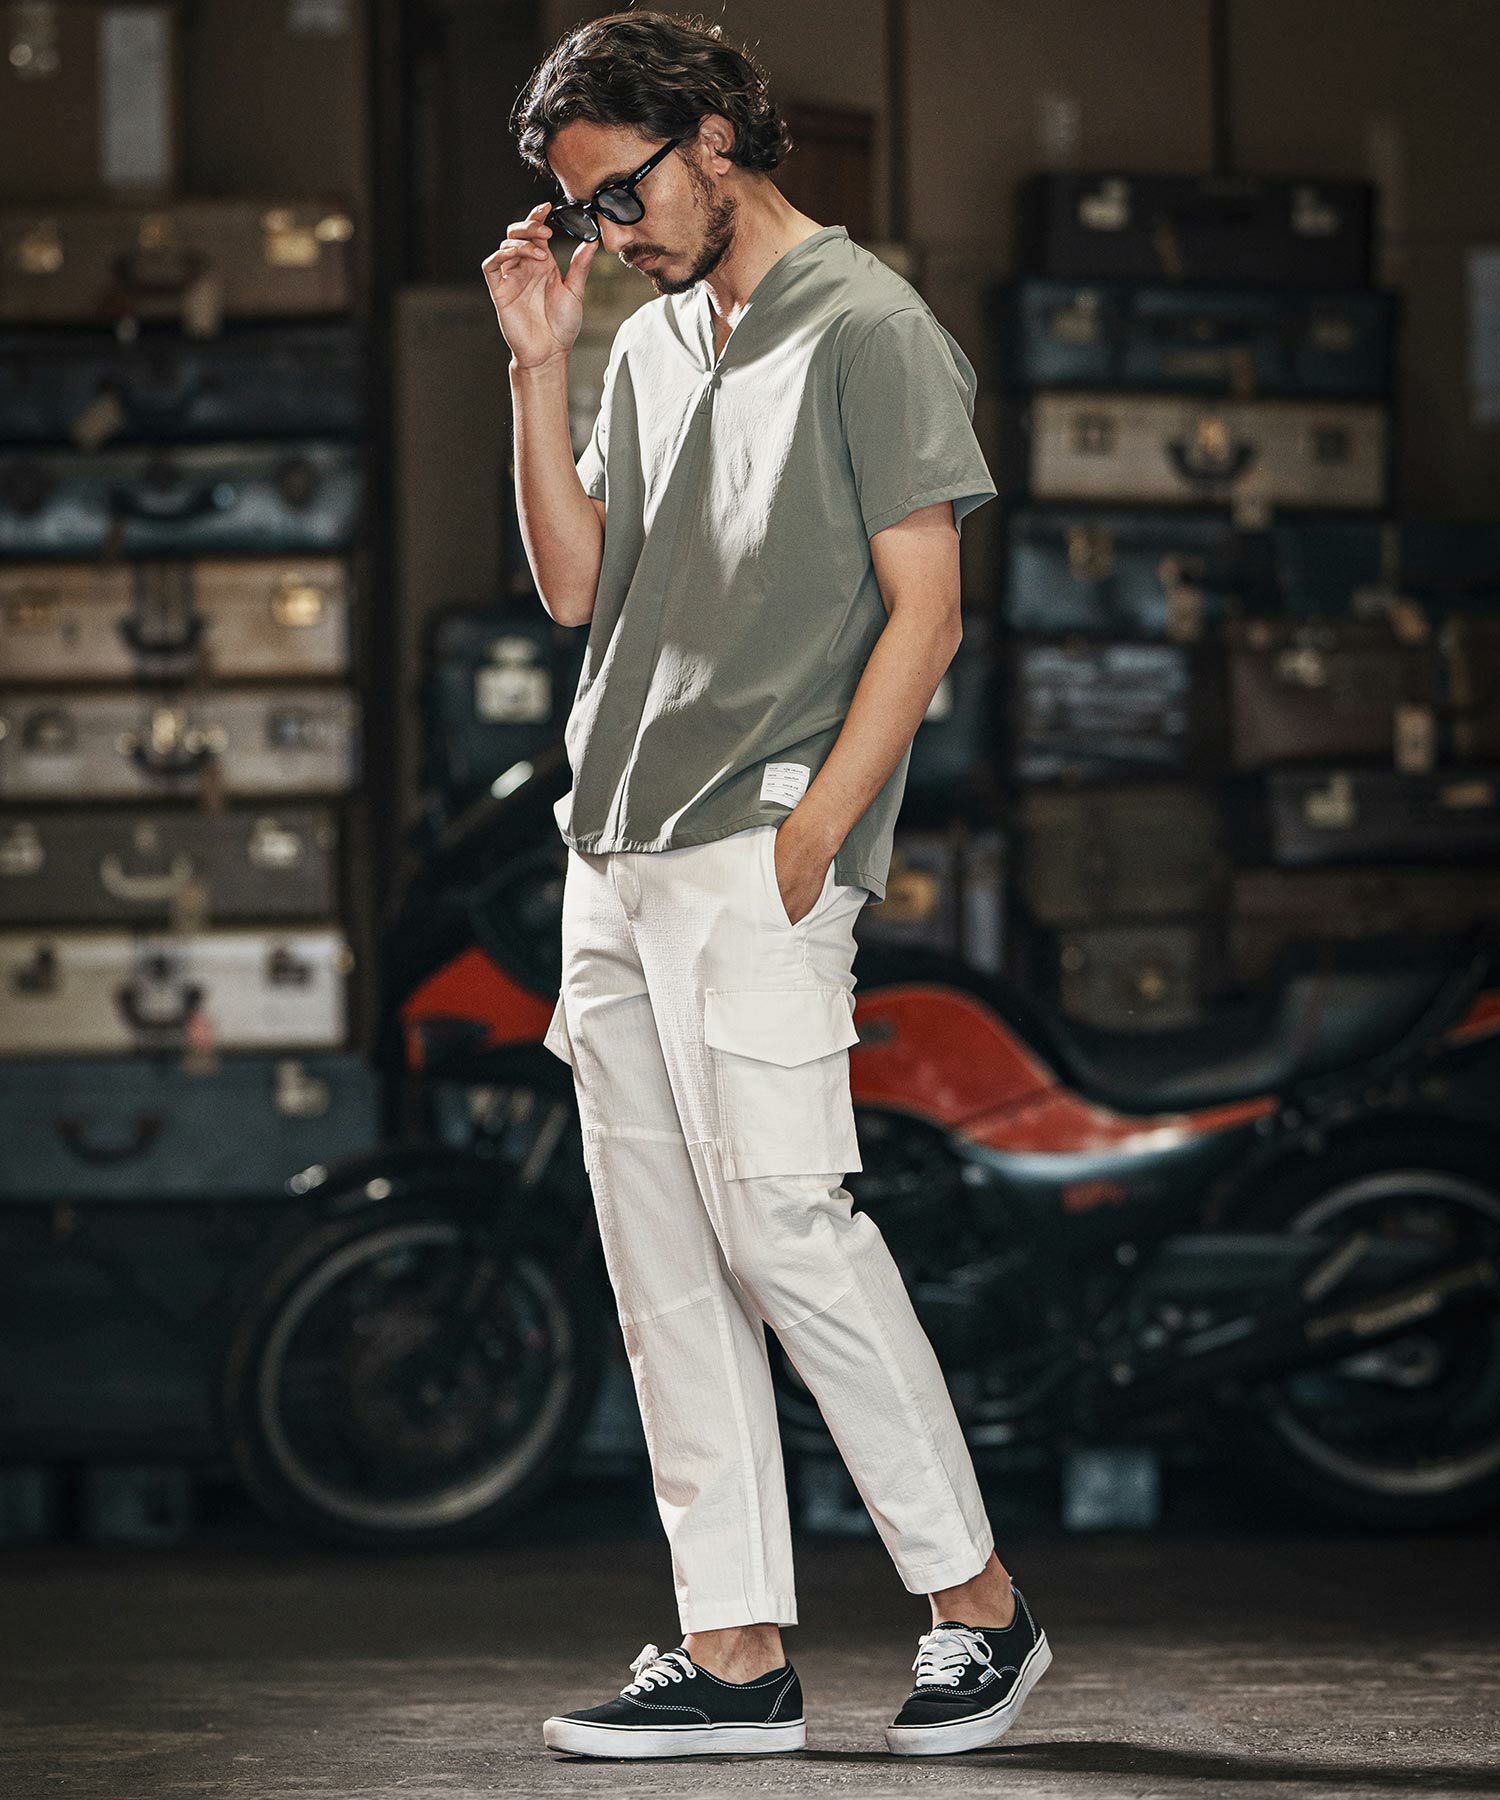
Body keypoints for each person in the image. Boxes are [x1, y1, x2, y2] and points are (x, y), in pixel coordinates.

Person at [485, 8, 1050, 1760]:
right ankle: (733, 1651)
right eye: (583, 208)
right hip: (614, 849)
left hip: (756, 845)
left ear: (717, 138)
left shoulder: (872, 330)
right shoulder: (651, 340)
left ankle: (980, 1608)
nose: (611, 230)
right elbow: (574, 590)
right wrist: (538, 364)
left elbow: (926, 615)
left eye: (624, 193)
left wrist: (814, 843)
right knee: (662, 1256)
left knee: (788, 1229)